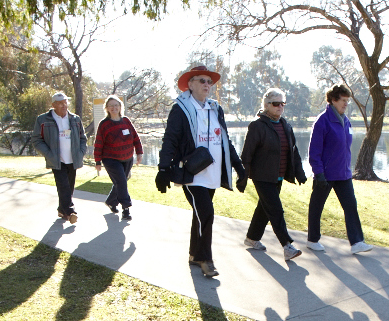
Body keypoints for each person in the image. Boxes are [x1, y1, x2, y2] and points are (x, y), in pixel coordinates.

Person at [155, 65, 246, 278]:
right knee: (207, 214)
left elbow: (225, 142)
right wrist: (163, 168)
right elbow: (170, 139)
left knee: (200, 216)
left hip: (212, 173)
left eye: (209, 81)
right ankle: (206, 259)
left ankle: (195, 255)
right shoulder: (181, 109)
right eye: (202, 81)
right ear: (191, 84)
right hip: (192, 174)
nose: (207, 85)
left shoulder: (215, 108)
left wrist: (239, 167)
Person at [238, 88, 307, 261]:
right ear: (266, 105)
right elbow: (247, 154)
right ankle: (287, 246)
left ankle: (252, 238)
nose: (280, 107)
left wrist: (300, 172)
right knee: (276, 210)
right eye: (276, 104)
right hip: (262, 176)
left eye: (283, 103)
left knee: (264, 208)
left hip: (278, 176)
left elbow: (293, 151)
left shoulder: (285, 125)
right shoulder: (257, 126)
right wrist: (242, 176)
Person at [307, 84, 373, 254]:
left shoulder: (345, 121)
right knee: (316, 206)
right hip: (325, 174)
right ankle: (312, 240)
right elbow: (314, 151)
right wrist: (318, 173)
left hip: (343, 174)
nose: (345, 104)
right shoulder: (323, 121)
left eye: (347, 101)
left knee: (351, 206)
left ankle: (357, 242)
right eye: (343, 101)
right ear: (333, 100)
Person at [31, 92, 88, 224]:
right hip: (57, 159)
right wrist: (49, 153)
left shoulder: (75, 119)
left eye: (65, 102)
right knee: (63, 186)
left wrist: (80, 152)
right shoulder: (43, 119)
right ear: (53, 105)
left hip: (73, 158)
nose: (64, 105)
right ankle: (71, 212)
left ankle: (62, 210)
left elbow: (82, 138)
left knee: (70, 186)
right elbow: (36, 140)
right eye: (60, 103)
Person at [94, 95, 143, 221]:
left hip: (127, 158)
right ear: (107, 108)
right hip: (111, 159)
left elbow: (135, 138)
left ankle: (111, 201)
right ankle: (126, 209)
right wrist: (97, 161)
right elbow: (99, 143)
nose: (114, 108)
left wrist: (139, 152)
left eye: (116, 105)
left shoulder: (126, 121)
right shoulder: (104, 124)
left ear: (120, 107)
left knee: (120, 182)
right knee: (121, 182)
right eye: (111, 105)